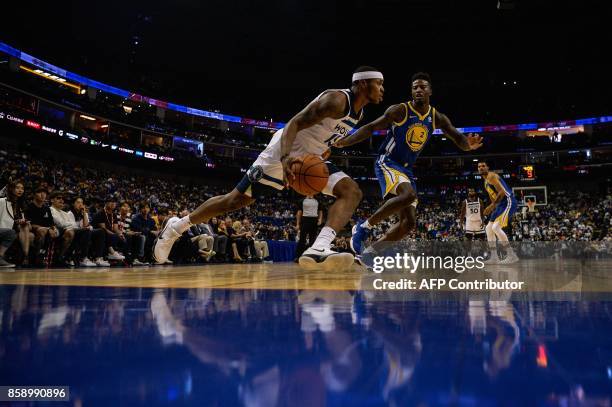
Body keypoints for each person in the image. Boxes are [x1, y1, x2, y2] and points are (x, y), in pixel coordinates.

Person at [153, 66, 385, 270]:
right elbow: (294, 123)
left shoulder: (359, 113)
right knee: (234, 201)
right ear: (362, 83)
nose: (382, 88)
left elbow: (322, 136)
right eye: (379, 83)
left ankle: (319, 247)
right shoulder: (337, 100)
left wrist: (325, 151)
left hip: (310, 158)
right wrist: (285, 159)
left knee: (352, 191)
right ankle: (177, 226)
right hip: (283, 151)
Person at [337, 72, 483, 259]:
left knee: (409, 223)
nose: (418, 90)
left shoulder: (437, 117)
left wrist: (468, 146)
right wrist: (345, 142)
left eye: (422, 87)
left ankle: (369, 255)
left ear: (430, 90)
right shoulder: (400, 110)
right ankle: (363, 227)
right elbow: (372, 127)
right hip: (387, 161)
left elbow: (458, 138)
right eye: (415, 88)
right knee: (408, 195)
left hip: (405, 170)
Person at [477, 160, 519, 264]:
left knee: (496, 227)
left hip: (509, 201)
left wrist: (491, 206)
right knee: (488, 228)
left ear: (487, 167)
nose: (481, 168)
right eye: (479, 167)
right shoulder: (485, 181)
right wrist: (493, 207)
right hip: (500, 204)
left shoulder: (491, 176)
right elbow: (493, 197)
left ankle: (511, 255)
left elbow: (501, 192)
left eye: (483, 166)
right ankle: (494, 257)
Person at [25, 186, 59, 266]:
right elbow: (29, 223)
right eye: (40, 192)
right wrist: (46, 228)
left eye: (45, 193)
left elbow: (52, 223)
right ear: (34, 195)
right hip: (31, 230)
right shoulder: (29, 207)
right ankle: (36, 257)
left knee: (54, 232)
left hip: (45, 230)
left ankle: (44, 255)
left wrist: (53, 229)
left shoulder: (47, 209)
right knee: (42, 230)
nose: (43, 195)